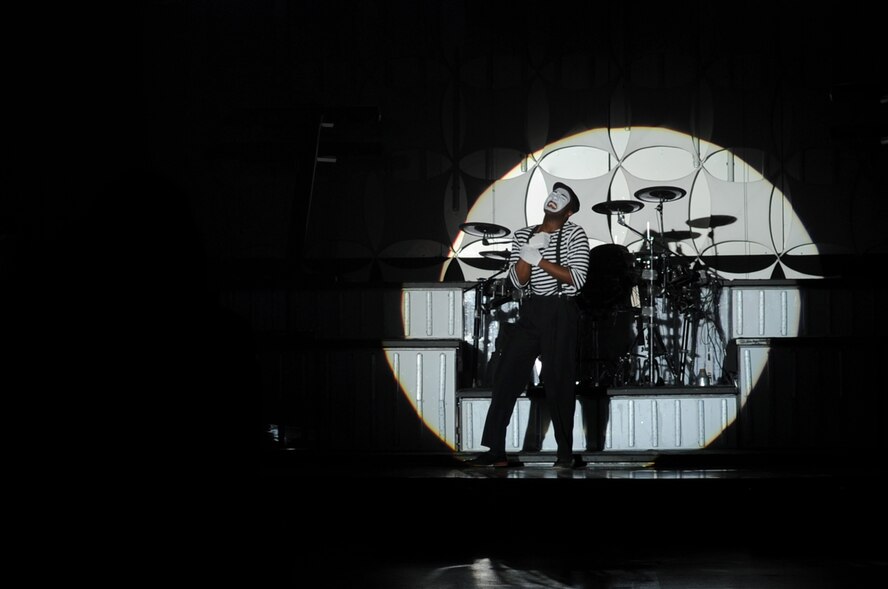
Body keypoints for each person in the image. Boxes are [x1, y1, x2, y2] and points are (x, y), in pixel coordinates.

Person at [466, 182, 589, 468]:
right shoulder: (523, 234)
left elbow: (578, 280)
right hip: (531, 309)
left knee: (559, 381)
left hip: (561, 309)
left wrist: (539, 259)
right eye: (553, 193)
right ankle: (496, 450)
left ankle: (564, 454)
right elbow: (517, 282)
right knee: (506, 373)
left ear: (569, 211)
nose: (554, 198)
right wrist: (528, 251)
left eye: (562, 197)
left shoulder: (575, 233)